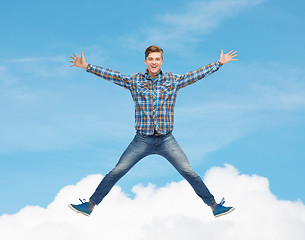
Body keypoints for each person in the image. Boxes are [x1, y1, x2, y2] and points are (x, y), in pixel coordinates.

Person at [68, 45, 238, 218]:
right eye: (151, 59)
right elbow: (112, 75)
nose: (154, 62)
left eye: (157, 59)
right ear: (146, 61)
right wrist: (87, 67)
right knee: (117, 171)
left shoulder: (173, 80)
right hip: (141, 140)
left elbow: (195, 75)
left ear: (161, 61)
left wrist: (219, 63)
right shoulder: (135, 81)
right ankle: (89, 206)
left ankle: (214, 206)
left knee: (188, 172)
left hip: (166, 140)